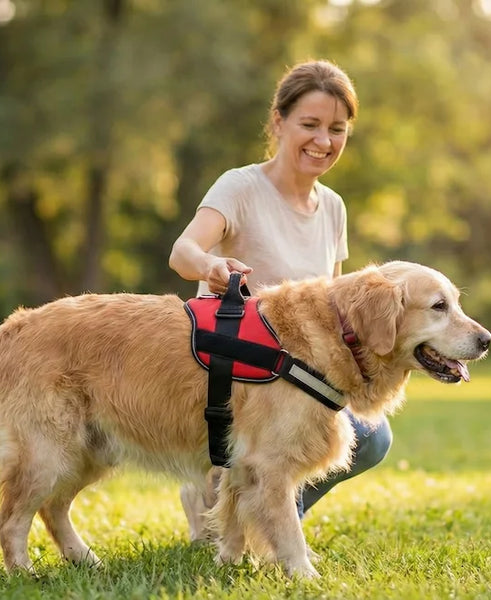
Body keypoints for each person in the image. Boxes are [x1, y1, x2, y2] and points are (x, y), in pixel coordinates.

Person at [168, 60, 393, 540]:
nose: (323, 141)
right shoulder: (240, 186)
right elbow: (182, 252)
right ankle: (234, 504)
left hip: (301, 381)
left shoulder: (333, 207)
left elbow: (336, 309)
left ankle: (256, 512)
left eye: (337, 129)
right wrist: (210, 266)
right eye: (309, 124)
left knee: (372, 438)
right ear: (278, 122)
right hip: (239, 375)